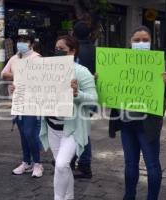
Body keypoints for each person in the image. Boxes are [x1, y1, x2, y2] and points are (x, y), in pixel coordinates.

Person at [108, 26, 166, 200]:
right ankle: (128, 196)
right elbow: (109, 89)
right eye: (137, 40)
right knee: (130, 163)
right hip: (126, 122)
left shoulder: (160, 62)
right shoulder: (120, 61)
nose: (141, 43)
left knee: (152, 164)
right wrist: (100, 80)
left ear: (151, 42)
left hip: (148, 125)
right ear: (130, 42)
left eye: (145, 40)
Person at [39, 35, 98, 200]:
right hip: (52, 126)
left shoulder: (81, 72)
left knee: (61, 164)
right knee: (62, 168)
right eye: (56, 49)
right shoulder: (47, 69)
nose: (58, 52)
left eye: (62, 50)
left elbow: (93, 98)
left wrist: (77, 94)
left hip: (72, 128)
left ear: (73, 51)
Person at [1, 29, 44, 178]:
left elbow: (40, 78)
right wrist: (17, 78)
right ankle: (26, 162)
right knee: (22, 134)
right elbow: (4, 74)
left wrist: (19, 76)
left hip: (33, 101)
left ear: (32, 43)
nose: (22, 43)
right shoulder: (14, 58)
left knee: (30, 133)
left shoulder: (36, 58)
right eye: (20, 40)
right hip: (17, 100)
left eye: (25, 40)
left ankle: (37, 163)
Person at [72, 19, 96, 179]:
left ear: (73, 34)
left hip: (75, 96)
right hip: (90, 96)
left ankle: (84, 164)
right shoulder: (95, 51)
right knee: (82, 128)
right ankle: (76, 160)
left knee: (79, 130)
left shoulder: (74, 51)